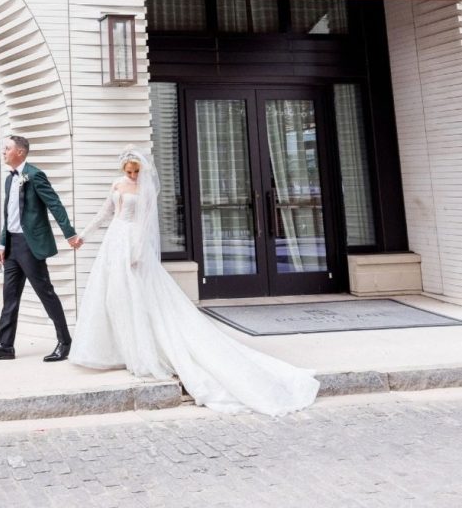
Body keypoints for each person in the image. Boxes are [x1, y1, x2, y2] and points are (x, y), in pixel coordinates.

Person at [70, 147, 320, 415]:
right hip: (114, 241)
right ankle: (117, 350)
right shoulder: (117, 184)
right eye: (129, 171)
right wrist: (82, 235)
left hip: (132, 244)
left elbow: (145, 225)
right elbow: (105, 213)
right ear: (123, 169)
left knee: (137, 297)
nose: (132, 175)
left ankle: (141, 352)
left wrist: (137, 251)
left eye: (136, 171)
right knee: (114, 296)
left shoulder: (145, 189)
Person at [0, 134, 82, 363]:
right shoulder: (9, 179)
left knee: (45, 293)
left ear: (20, 153)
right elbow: (9, 215)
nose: (3, 152)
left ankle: (65, 342)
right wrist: (2, 242)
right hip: (12, 246)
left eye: (7, 148)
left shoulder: (35, 176)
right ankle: (5, 346)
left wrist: (70, 233)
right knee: (10, 296)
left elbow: (54, 203)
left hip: (30, 245)